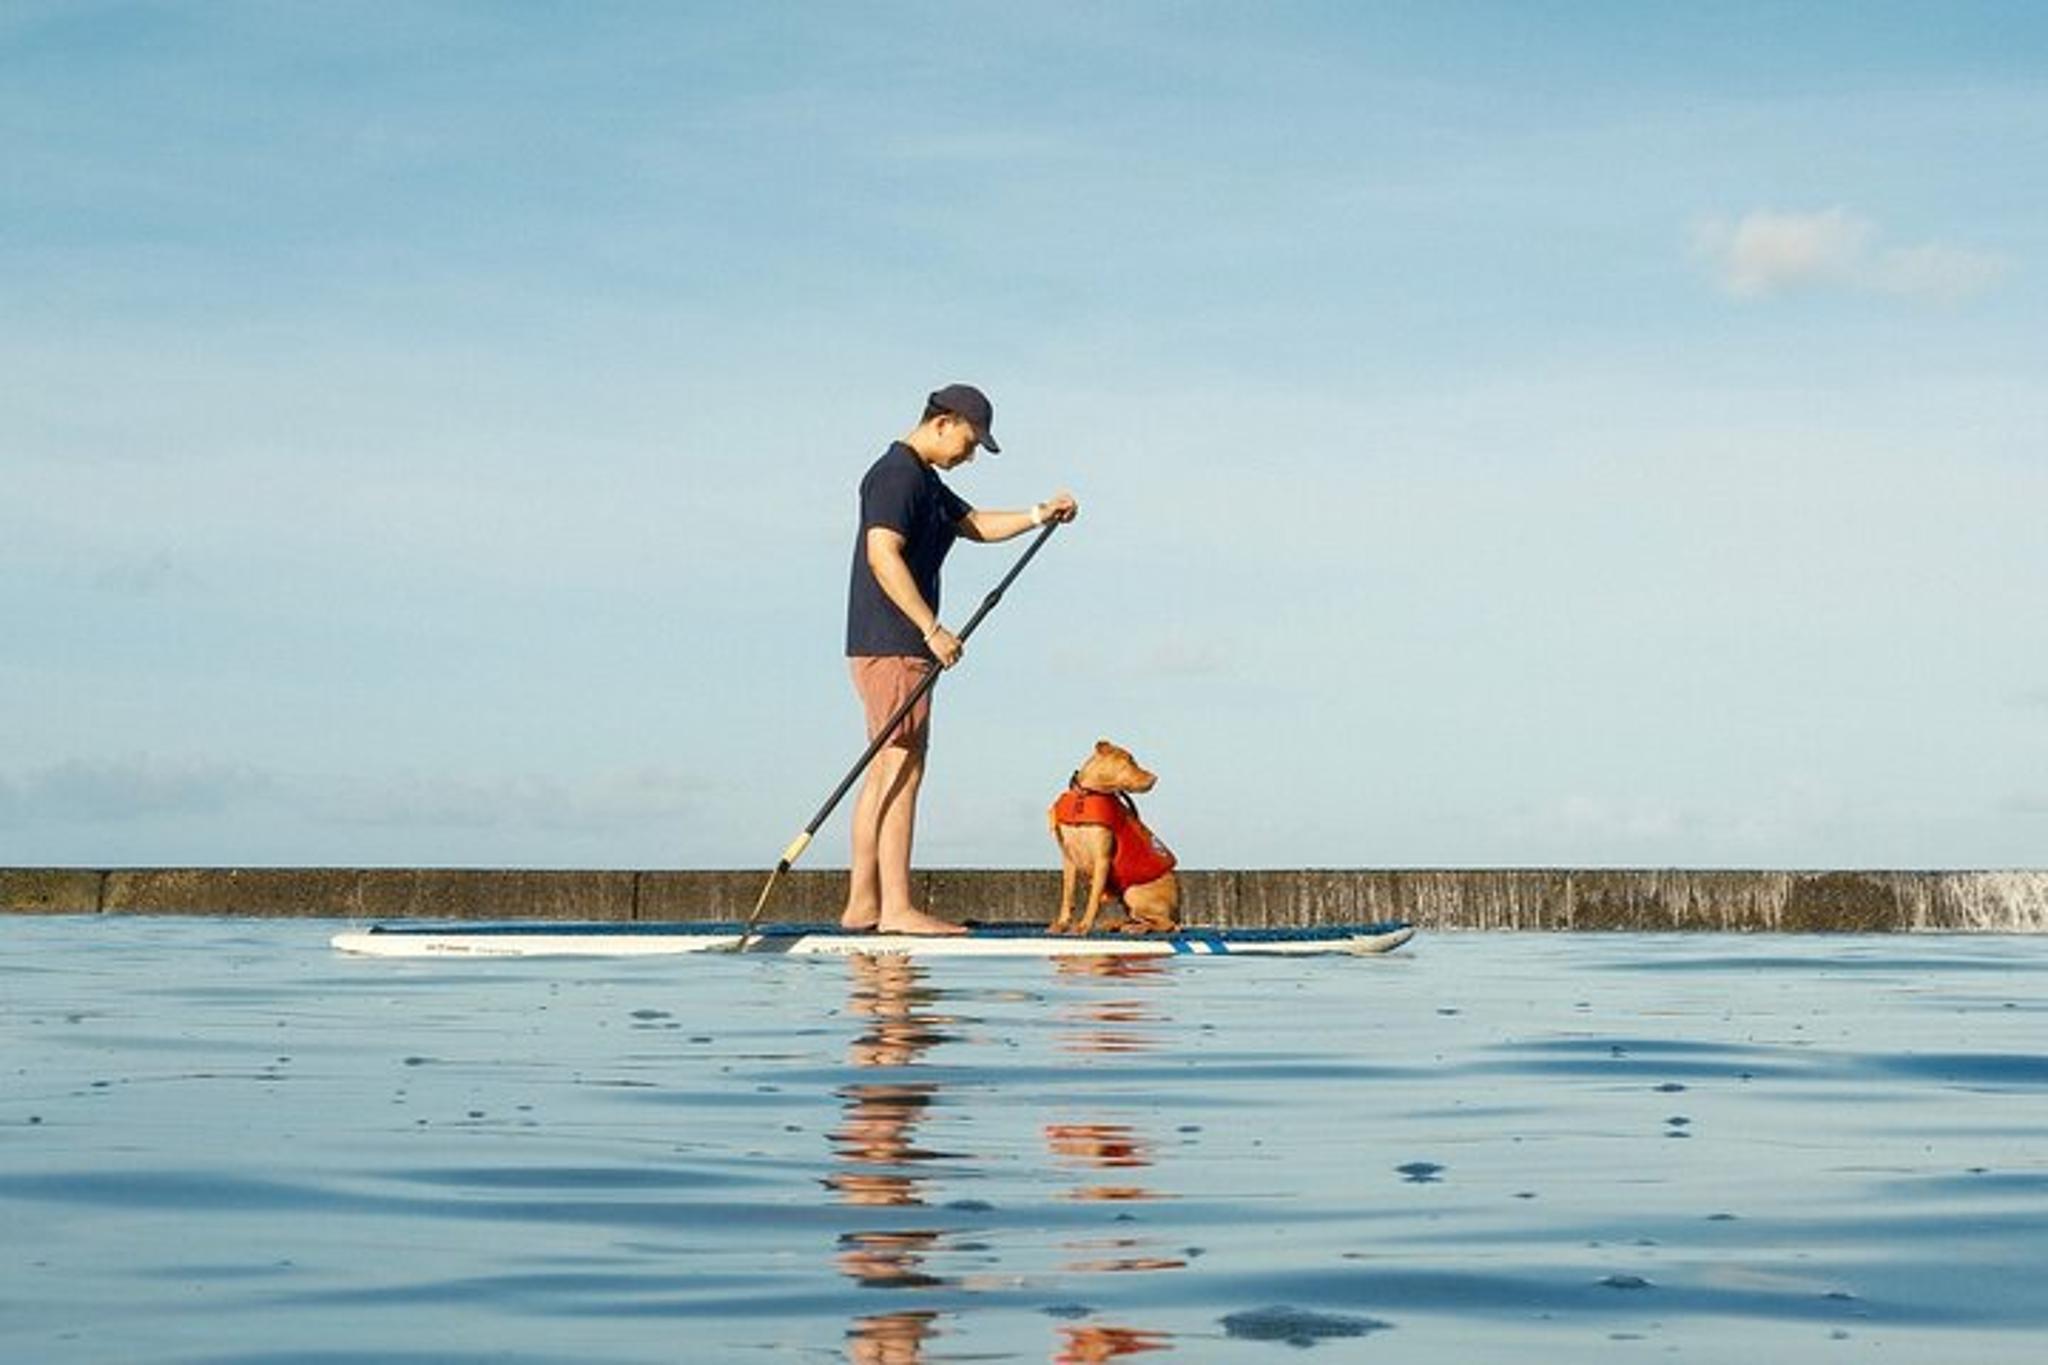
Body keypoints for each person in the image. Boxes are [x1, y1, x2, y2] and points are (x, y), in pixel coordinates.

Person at [842, 383, 1078, 933]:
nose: (969, 456)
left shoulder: (924, 480)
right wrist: (931, 628)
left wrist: (1040, 513)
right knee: (901, 767)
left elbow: (973, 525)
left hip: (893, 645)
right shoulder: (896, 475)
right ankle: (894, 909)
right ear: (944, 422)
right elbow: (882, 554)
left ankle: (864, 905)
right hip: (895, 643)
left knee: (887, 767)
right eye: (969, 443)